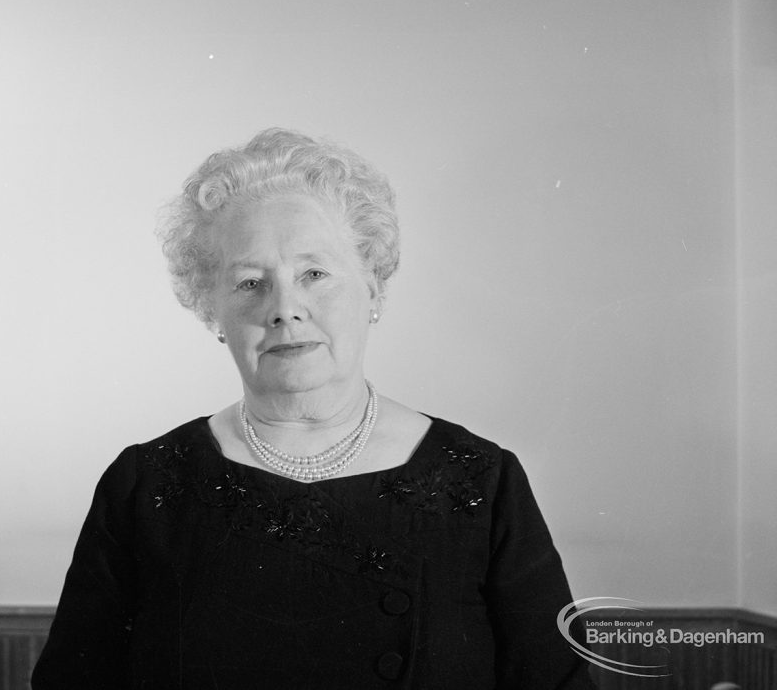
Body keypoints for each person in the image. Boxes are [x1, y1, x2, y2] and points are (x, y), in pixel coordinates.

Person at [31, 129, 595, 689]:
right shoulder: (144, 486)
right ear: (212, 311)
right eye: (251, 283)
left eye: (314, 275)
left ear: (372, 287)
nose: (285, 309)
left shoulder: (482, 482)